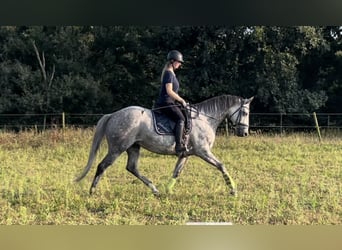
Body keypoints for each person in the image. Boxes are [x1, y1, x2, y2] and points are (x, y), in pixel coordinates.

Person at [155, 50, 188, 156]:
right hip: (166, 102)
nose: (180, 64)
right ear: (173, 61)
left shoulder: (171, 73)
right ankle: (178, 146)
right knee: (181, 119)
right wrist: (181, 100)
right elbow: (169, 91)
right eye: (179, 62)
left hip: (170, 101)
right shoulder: (169, 73)